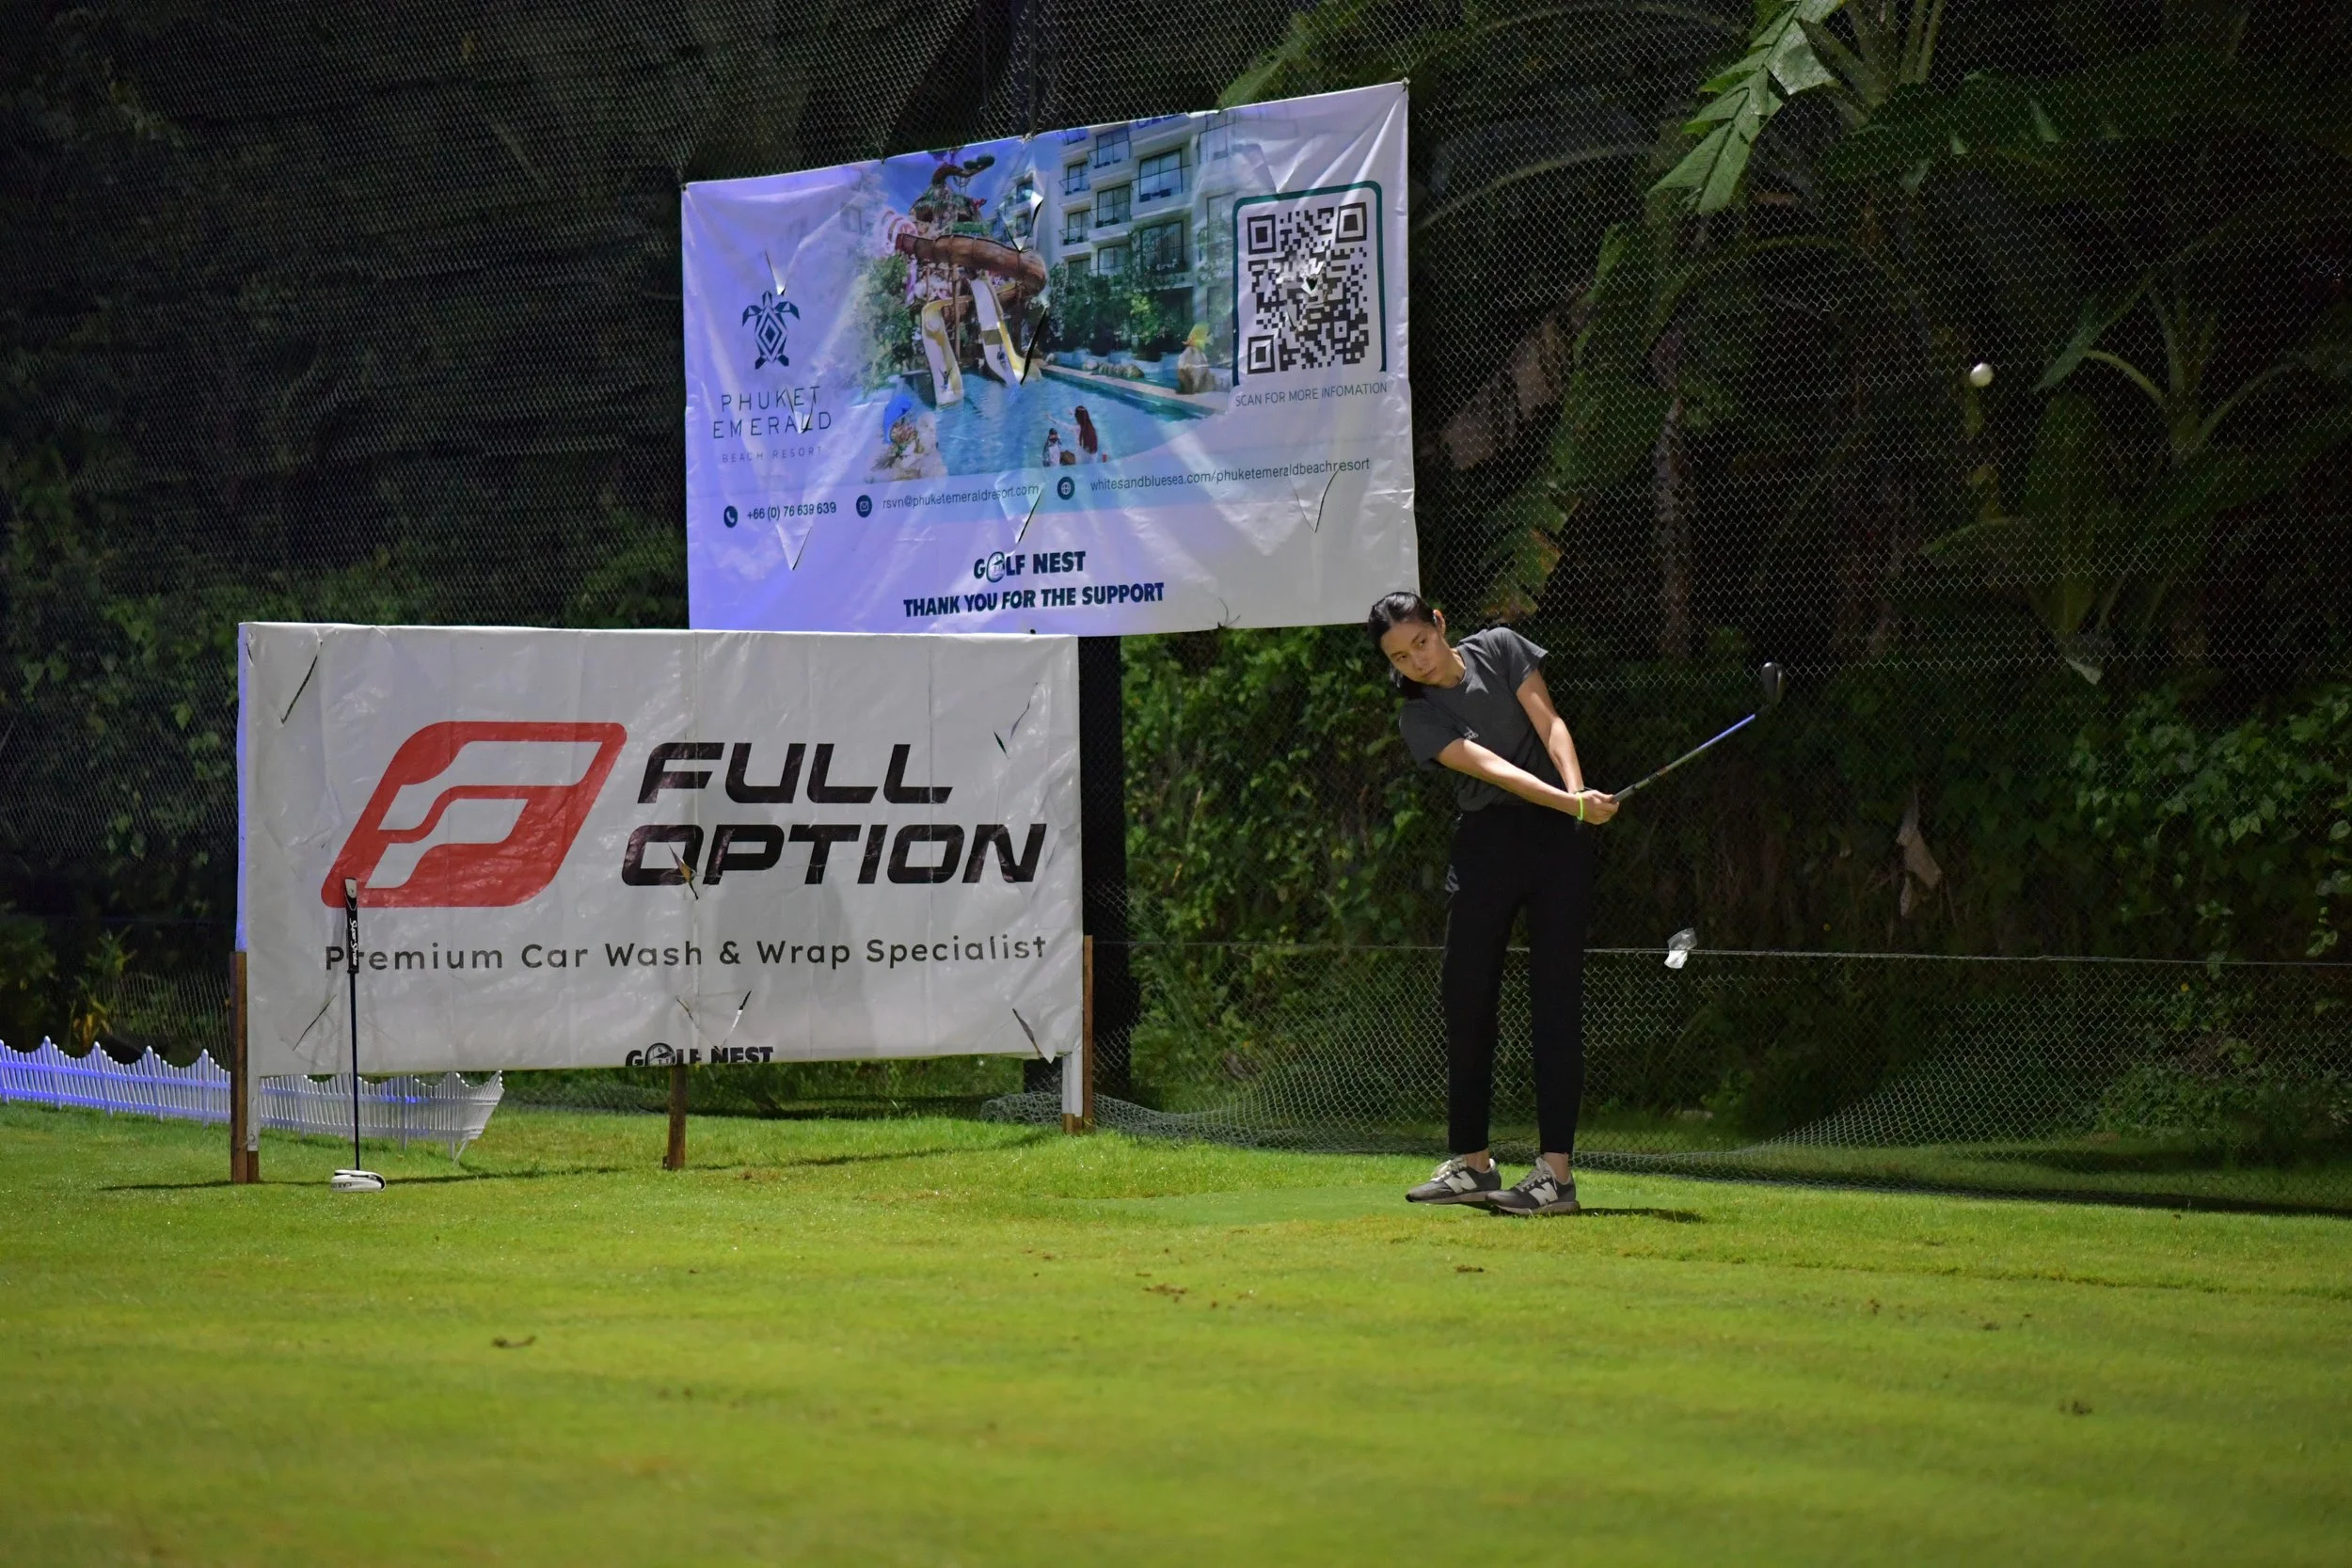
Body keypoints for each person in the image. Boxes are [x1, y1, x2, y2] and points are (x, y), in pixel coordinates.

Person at [1368, 592, 1616, 1216]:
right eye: (1400, 656)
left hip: (1557, 841)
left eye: (1419, 642)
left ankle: (1555, 1176)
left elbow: (1550, 721)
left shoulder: (1502, 648)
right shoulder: (1418, 714)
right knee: (1466, 994)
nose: (1416, 662)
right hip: (1488, 843)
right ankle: (1473, 1164)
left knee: (1555, 998)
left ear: (1439, 624)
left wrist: (1576, 789)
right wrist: (1569, 802)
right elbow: (1494, 770)